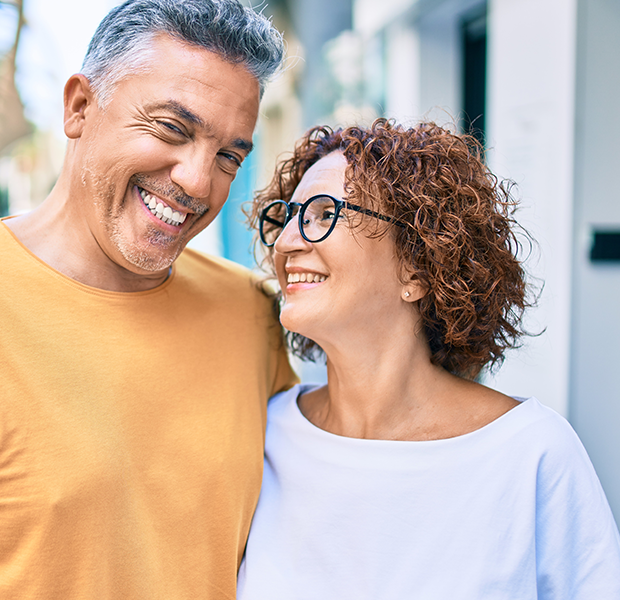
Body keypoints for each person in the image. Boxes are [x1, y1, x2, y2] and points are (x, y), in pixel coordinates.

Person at [0, 1, 296, 598]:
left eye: (229, 155)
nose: (199, 183)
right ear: (79, 107)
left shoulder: (249, 310)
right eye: (172, 129)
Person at [237, 120, 620, 599]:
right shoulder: (263, 435)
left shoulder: (531, 454)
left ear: (416, 267)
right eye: (288, 216)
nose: (288, 240)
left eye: (322, 213)